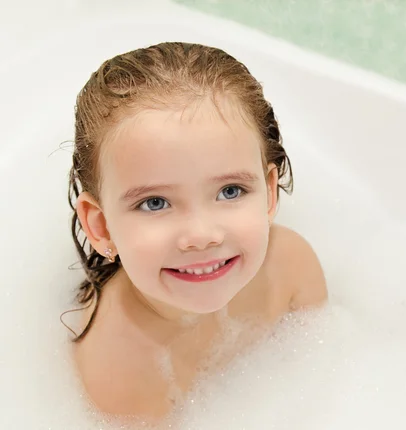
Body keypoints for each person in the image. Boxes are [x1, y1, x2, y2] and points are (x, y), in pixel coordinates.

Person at [66, 41, 327, 420]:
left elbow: (324, 377)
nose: (202, 235)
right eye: (155, 202)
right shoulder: (119, 370)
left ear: (268, 193)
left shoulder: (291, 266)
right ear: (101, 226)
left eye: (230, 191)